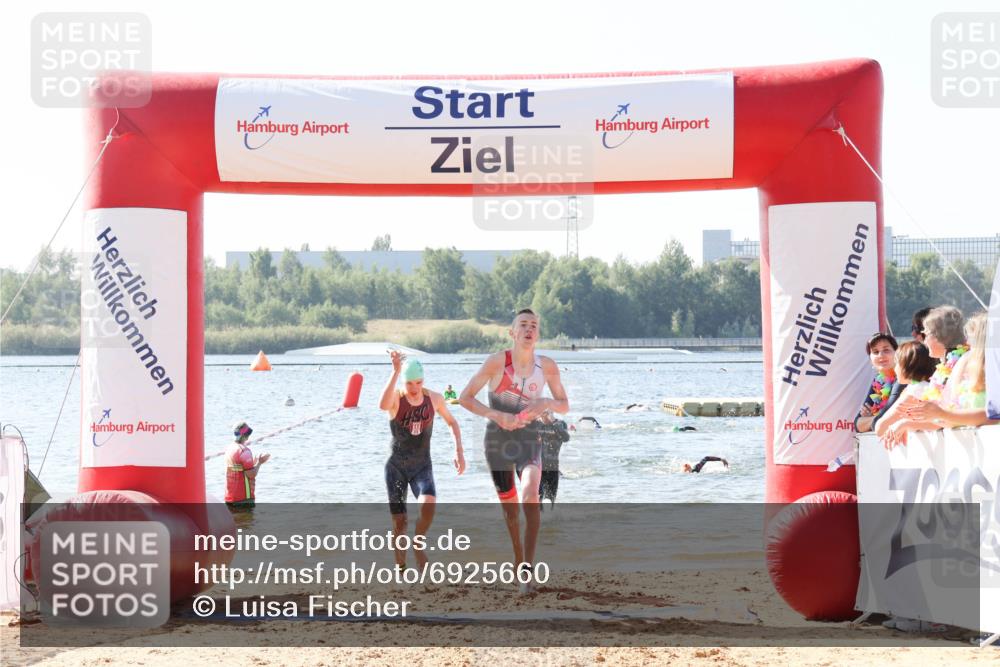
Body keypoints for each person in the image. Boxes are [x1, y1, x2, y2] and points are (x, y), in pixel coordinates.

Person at [459, 308, 569, 593]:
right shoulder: (497, 362)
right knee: (510, 511)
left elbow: (564, 404)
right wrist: (496, 415)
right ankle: (518, 559)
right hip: (497, 442)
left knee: (530, 494)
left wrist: (545, 401)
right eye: (523, 325)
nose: (529, 329)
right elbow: (465, 399)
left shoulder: (547, 366)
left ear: (538, 333)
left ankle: (527, 569)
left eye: (534, 325)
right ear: (512, 332)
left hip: (530, 439)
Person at [379, 351, 465, 570]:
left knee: (428, 505)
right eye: (409, 383)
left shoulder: (434, 399)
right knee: (399, 522)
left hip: (421, 466)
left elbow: (452, 423)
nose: (415, 388)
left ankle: (418, 544)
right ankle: (400, 568)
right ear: (403, 382)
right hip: (396, 467)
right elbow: (382, 405)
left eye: (418, 382)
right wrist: (395, 370)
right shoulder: (396, 400)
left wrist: (458, 451)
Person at [901, 313, 997, 430]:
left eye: (972, 337)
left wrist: (941, 414)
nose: (967, 342)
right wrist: (922, 416)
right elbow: (955, 419)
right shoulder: (969, 366)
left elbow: (993, 416)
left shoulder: (991, 369)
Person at [873, 341, 938, 447]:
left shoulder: (915, 390)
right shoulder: (925, 386)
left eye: (897, 363)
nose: (895, 368)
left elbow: (880, 427)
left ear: (907, 364)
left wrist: (903, 423)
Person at [854, 333, 899, 434]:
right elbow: (857, 424)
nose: (881, 356)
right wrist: (876, 419)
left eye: (886, 350)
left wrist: (871, 419)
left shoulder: (904, 379)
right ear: (870, 359)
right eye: (875, 352)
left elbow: (892, 416)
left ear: (897, 353)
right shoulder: (878, 381)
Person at [225, 421, 269, 510]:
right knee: (247, 523)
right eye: (248, 434)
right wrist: (260, 462)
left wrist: (254, 461)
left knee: (236, 522)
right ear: (245, 435)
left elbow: (238, 468)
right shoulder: (244, 451)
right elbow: (251, 474)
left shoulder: (229, 448)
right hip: (243, 499)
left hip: (230, 498)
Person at [536, 410, 570, 509]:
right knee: (538, 498)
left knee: (551, 501)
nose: (545, 414)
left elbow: (566, 438)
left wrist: (553, 421)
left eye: (547, 411)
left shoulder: (560, 424)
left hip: (553, 467)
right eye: (542, 410)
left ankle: (551, 522)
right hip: (538, 468)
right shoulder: (535, 425)